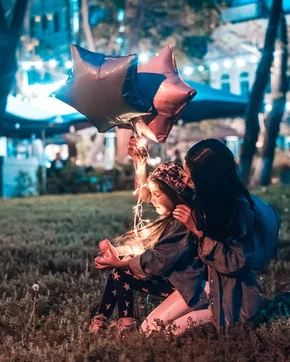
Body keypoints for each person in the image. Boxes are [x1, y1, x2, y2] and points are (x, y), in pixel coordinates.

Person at [128, 138, 279, 335]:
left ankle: (214, 316)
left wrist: (198, 232)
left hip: (227, 295)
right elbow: (155, 195)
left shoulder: (239, 210)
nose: (185, 181)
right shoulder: (201, 194)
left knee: (156, 332)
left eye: (191, 177)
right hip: (199, 286)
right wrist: (139, 163)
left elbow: (234, 263)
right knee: (148, 330)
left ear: (208, 178)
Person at [89, 161, 207, 336]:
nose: (152, 200)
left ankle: (126, 326)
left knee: (121, 274)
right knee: (118, 274)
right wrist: (118, 252)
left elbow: (159, 260)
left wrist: (120, 263)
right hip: (175, 282)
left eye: (157, 194)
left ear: (174, 194)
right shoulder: (172, 219)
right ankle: (102, 321)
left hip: (186, 287)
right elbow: (147, 246)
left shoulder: (181, 223)